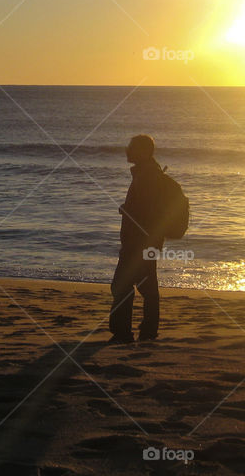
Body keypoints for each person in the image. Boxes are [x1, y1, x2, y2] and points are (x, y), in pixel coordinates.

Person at [109, 134, 165, 345]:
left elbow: (148, 211)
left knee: (121, 285)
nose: (127, 150)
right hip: (146, 241)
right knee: (147, 286)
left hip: (138, 242)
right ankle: (148, 331)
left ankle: (123, 334)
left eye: (131, 147)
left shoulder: (148, 175)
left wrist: (128, 211)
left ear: (142, 151)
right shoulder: (148, 173)